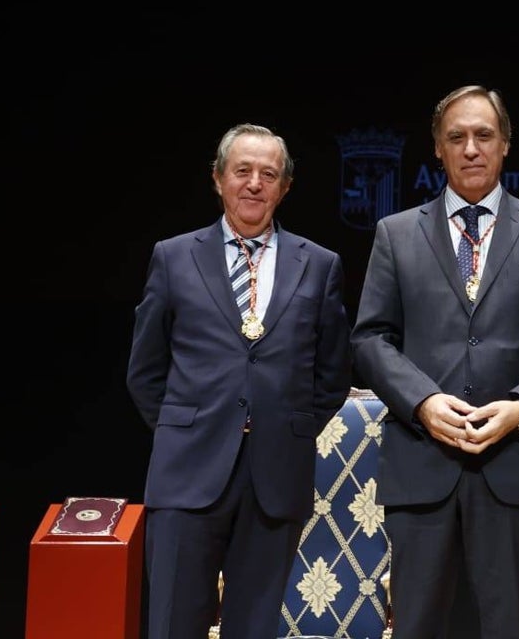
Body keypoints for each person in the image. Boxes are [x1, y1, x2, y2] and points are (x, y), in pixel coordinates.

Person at [351, 85, 519, 639]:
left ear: (505, 144)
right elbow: (370, 339)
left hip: (512, 462)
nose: (470, 148)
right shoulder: (395, 233)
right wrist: (422, 402)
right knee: (417, 625)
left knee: (506, 625)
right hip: (421, 462)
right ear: (437, 148)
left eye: (483, 135)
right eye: (455, 137)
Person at [127, 123, 352, 639]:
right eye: (242, 171)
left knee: (254, 627)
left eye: (268, 174)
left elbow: (333, 373)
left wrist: (284, 427)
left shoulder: (319, 265)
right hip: (186, 473)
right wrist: (183, 428)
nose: (254, 183)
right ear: (218, 179)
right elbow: (145, 369)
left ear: (285, 187)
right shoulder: (173, 256)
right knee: (172, 625)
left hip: (274, 477)